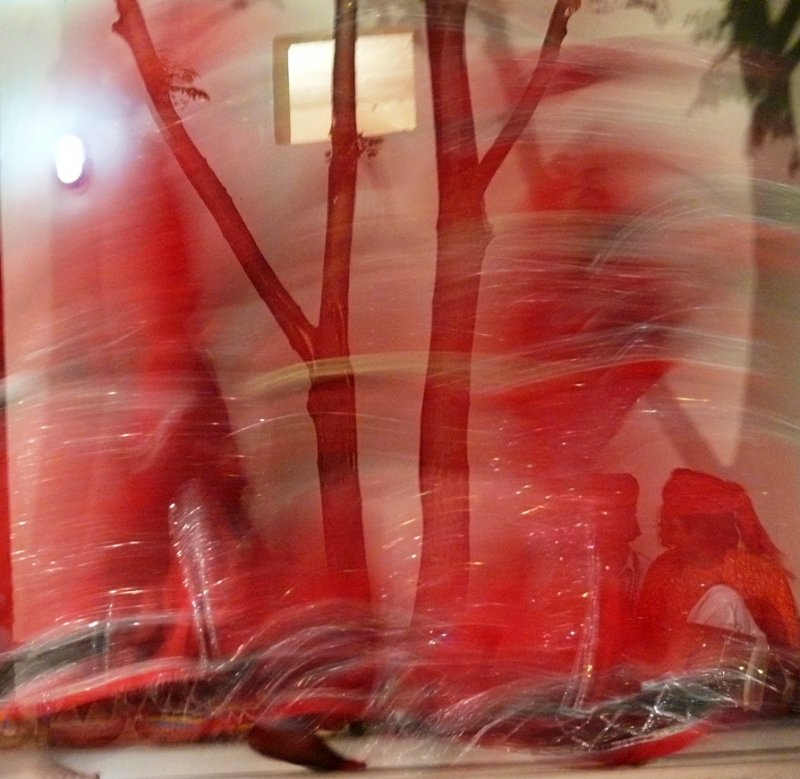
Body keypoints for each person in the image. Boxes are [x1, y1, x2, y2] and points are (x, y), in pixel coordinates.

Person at [636, 469, 800, 678]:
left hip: (746, 689)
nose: (665, 535)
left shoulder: (761, 573)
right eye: (664, 525)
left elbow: (789, 655)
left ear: (702, 529)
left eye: (673, 526)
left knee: (722, 598)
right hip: (678, 688)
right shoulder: (663, 569)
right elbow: (643, 638)